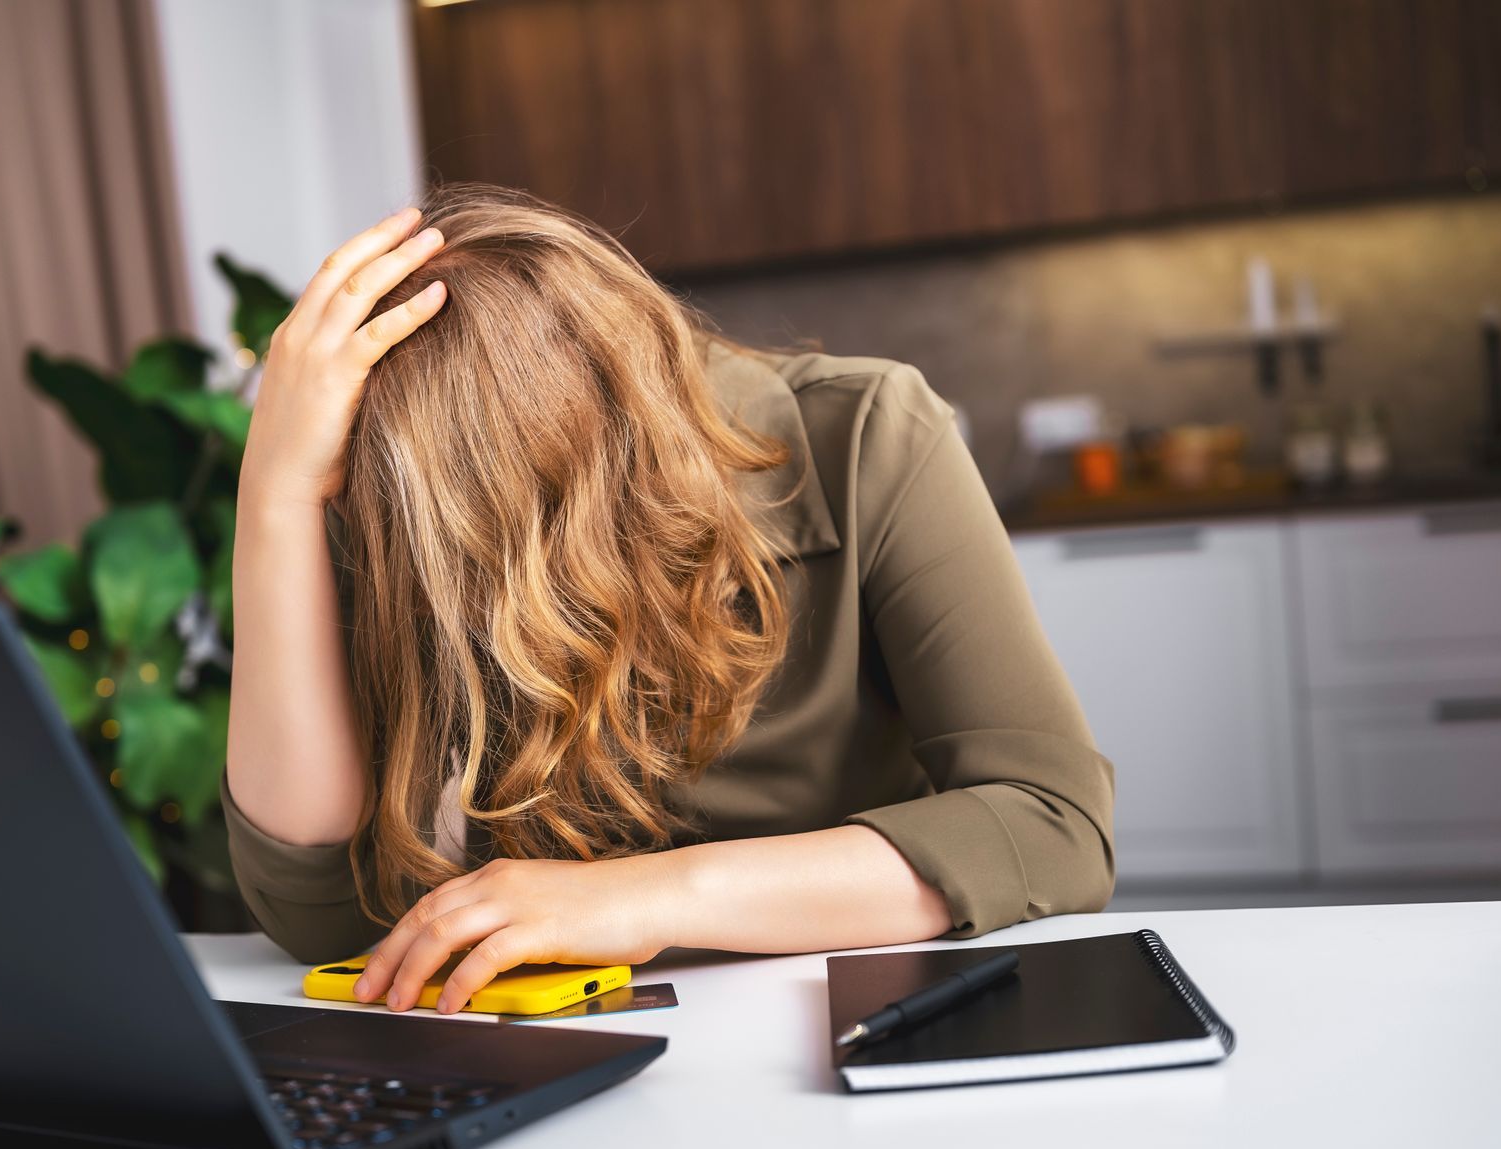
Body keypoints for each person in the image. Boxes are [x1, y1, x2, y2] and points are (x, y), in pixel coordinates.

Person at [224, 184, 1113, 1013]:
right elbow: (319, 917)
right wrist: (273, 495)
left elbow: (1052, 822)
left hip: (864, 1010)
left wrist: (649, 899)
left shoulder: (868, 432)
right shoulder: (391, 489)